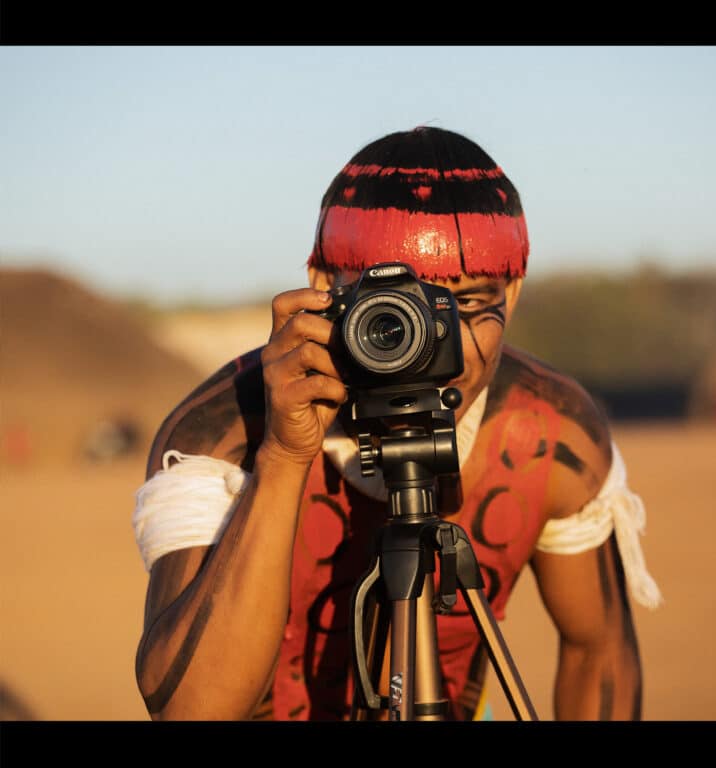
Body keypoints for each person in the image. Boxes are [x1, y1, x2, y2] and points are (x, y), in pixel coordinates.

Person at [132, 126, 662, 722]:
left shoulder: (549, 430)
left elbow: (598, 654)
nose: (428, 344)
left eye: (463, 304)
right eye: (392, 312)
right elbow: (191, 712)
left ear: (511, 294)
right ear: (324, 285)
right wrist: (282, 455)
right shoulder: (223, 431)